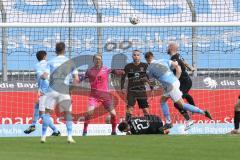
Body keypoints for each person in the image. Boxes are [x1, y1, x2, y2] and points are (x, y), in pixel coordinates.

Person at [144, 52, 212, 129]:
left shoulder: (149, 69)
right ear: (153, 56)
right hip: (175, 81)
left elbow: (152, 83)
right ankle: (168, 122)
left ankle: (203, 112)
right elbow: (176, 65)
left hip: (170, 86)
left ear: (146, 59)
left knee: (181, 105)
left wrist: (147, 81)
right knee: (162, 101)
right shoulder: (163, 60)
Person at [42, 42, 79, 143]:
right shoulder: (70, 62)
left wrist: (43, 77)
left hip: (52, 90)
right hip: (64, 90)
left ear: (55, 50)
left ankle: (43, 136)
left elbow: (44, 76)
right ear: (64, 50)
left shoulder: (50, 61)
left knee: (47, 113)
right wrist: (70, 90)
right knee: (68, 113)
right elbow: (76, 79)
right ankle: (70, 137)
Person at [81, 54, 124, 136]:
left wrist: (121, 72)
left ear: (101, 60)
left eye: (99, 59)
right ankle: (85, 131)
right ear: (93, 60)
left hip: (105, 96)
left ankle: (113, 131)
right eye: (96, 59)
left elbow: (114, 71)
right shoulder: (89, 71)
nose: (98, 61)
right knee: (89, 113)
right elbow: (81, 78)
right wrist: (77, 78)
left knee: (113, 114)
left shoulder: (106, 69)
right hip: (94, 96)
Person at [24, 51, 60, 136]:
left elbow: (42, 78)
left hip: (46, 91)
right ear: (44, 56)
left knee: (42, 114)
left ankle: (54, 130)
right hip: (51, 89)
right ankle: (34, 125)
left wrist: (40, 89)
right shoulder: (49, 64)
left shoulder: (37, 65)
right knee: (37, 106)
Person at [121, 50, 149, 121]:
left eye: (137, 55)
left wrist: (151, 87)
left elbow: (150, 77)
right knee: (129, 109)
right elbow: (123, 78)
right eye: (134, 55)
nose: (136, 56)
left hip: (141, 91)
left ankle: (149, 125)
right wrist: (122, 88)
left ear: (140, 56)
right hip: (131, 91)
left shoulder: (145, 66)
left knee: (145, 109)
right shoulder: (127, 66)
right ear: (132, 56)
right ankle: (127, 127)